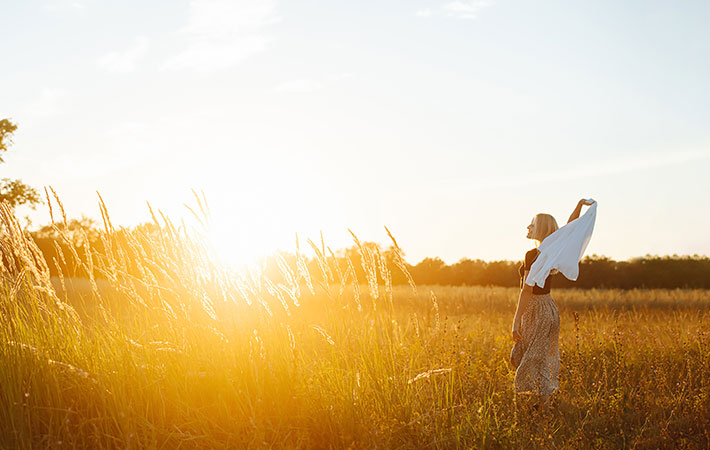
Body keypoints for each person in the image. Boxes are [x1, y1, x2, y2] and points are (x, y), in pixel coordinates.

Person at [511, 198, 595, 407]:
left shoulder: (533, 255)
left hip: (535, 310)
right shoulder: (552, 251)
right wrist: (577, 206)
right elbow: (569, 229)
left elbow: (527, 290)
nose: (528, 227)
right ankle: (542, 403)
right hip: (549, 308)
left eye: (532, 224)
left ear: (540, 228)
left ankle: (544, 408)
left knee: (532, 357)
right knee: (539, 356)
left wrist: (515, 321)